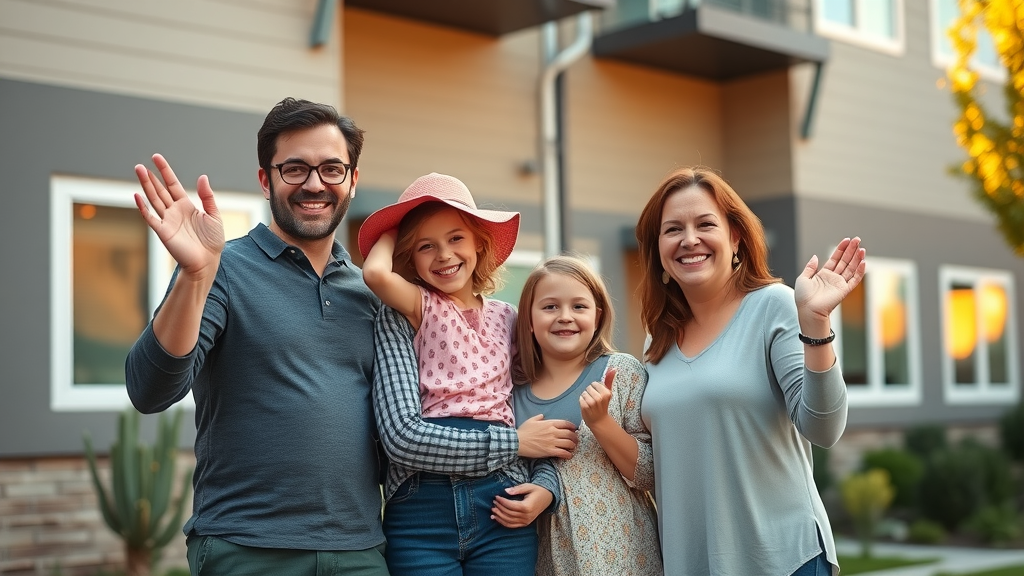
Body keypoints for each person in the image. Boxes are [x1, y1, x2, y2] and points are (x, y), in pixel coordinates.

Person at [125, 98, 390, 575]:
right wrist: (194, 275)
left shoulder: (370, 290)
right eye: (295, 169)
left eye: (332, 169)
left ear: (352, 179)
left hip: (360, 552)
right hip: (247, 550)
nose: (314, 184)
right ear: (266, 179)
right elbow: (149, 390)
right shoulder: (221, 269)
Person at [633, 166, 866, 576]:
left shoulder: (773, 306)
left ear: (735, 237)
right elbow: (659, 461)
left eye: (706, 224)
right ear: (658, 250)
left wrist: (815, 324)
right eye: (673, 229)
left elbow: (824, 429)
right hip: (692, 564)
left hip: (781, 560)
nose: (689, 239)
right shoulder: (656, 340)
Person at [359, 173, 577, 576]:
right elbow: (374, 274)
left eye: (456, 238)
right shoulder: (415, 306)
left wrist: (545, 484)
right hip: (422, 503)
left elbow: (536, 411)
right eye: (426, 246)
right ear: (408, 257)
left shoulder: (509, 318)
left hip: (502, 499)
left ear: (480, 242)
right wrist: (393, 229)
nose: (443, 254)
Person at [507, 255, 663, 576]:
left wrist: (602, 424)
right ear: (529, 321)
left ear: (597, 315)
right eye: (550, 307)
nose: (565, 317)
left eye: (579, 306)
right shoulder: (511, 389)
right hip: (546, 559)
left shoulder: (621, 372)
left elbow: (649, 473)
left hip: (621, 555)